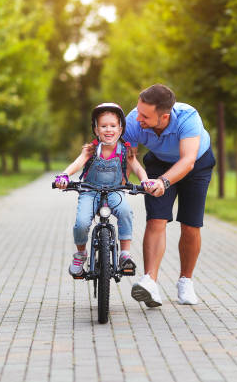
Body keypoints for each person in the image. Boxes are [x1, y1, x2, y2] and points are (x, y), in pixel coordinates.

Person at [123, 84, 215, 306]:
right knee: (156, 218)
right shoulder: (134, 120)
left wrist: (164, 182)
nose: (138, 119)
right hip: (158, 162)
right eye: (138, 111)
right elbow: (129, 157)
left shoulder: (188, 118)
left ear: (164, 117)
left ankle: (185, 281)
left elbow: (188, 161)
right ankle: (150, 282)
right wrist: (120, 186)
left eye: (145, 115)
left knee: (190, 224)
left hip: (195, 165)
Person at [55, 103, 152, 277]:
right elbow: (77, 164)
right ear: (96, 129)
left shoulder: (125, 150)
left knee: (125, 212)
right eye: (103, 126)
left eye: (113, 126)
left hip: (115, 191)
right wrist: (64, 176)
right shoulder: (91, 150)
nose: (109, 130)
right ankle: (81, 254)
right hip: (90, 191)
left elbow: (137, 168)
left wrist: (145, 181)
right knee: (82, 223)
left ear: (121, 128)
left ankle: (125, 254)